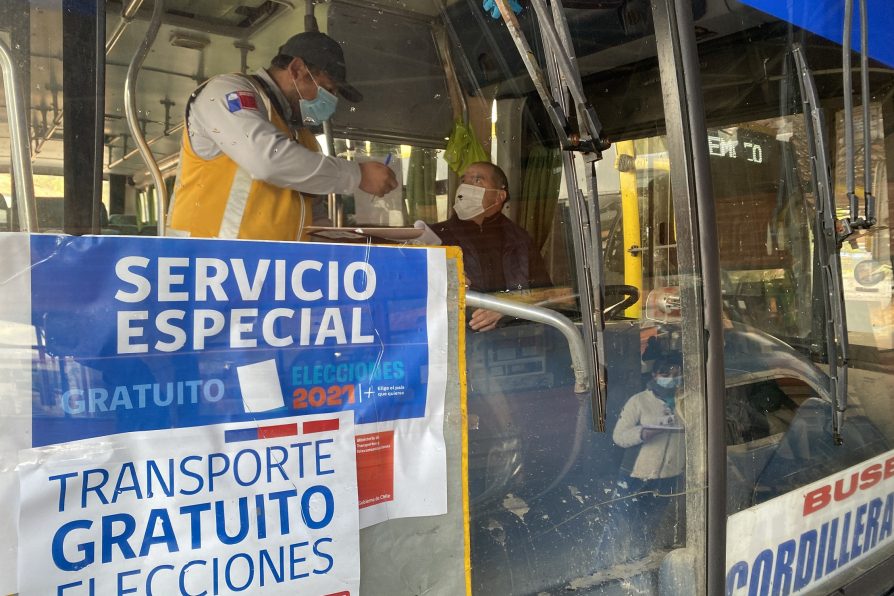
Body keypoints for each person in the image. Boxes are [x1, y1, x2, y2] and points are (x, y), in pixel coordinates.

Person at [166, 31, 397, 241]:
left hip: (266, 272)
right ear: (296, 70)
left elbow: (309, 214)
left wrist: (337, 240)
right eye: (328, 89)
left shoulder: (302, 137)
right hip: (207, 267)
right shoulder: (226, 92)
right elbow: (266, 160)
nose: (332, 101)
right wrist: (358, 174)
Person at [430, 161, 551, 332]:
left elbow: (546, 294)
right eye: (464, 181)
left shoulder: (520, 240)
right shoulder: (437, 236)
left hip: (512, 340)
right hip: (455, 341)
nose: (465, 187)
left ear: (499, 196)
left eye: (477, 180)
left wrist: (507, 309)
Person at [600, 352, 686, 565]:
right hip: (635, 475)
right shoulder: (639, 401)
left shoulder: (685, 401)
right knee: (619, 522)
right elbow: (618, 436)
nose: (672, 378)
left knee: (650, 523)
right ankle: (602, 565)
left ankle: (639, 560)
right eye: (666, 373)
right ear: (655, 375)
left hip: (668, 475)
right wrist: (642, 434)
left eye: (676, 373)